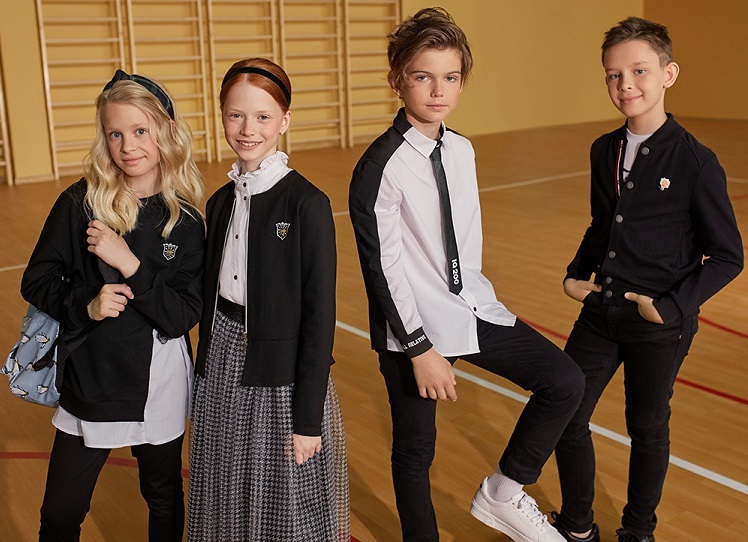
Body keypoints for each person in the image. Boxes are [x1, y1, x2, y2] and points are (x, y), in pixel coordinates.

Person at [348, 8, 584, 542]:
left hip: (470, 307)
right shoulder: (378, 167)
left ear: (462, 82)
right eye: (422, 76)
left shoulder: (462, 149)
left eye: (450, 77)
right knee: (415, 452)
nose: (437, 90)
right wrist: (418, 348)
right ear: (397, 81)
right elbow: (379, 268)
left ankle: (503, 491)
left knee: (565, 380)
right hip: (413, 328)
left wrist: (477, 300)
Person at [551, 17, 743, 542]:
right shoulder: (602, 150)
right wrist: (575, 275)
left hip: (658, 322)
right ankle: (577, 524)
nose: (625, 85)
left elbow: (728, 255)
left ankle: (637, 531)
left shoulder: (697, 162)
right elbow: (601, 223)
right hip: (600, 310)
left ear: (669, 73)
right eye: (613, 75)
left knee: (647, 427)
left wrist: (670, 307)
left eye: (639, 70)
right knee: (567, 412)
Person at [21, 70, 205, 541]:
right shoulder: (80, 203)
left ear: (164, 131)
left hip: (157, 387)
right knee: (61, 513)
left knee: (163, 496)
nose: (128, 146)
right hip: (91, 381)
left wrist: (129, 264)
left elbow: (182, 315)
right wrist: (86, 304)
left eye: (140, 130)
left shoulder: (185, 222)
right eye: (115, 133)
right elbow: (36, 280)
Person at [187, 57, 349, 541]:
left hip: (281, 378)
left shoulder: (307, 204)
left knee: (284, 503)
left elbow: (320, 320)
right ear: (221, 117)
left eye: (262, 116)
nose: (247, 128)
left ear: (284, 121)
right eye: (235, 115)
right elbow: (206, 301)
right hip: (222, 369)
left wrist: (307, 420)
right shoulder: (218, 202)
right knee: (225, 491)